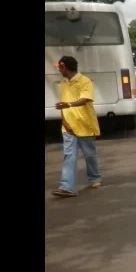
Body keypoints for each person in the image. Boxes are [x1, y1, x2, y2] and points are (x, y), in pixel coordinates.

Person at [51, 56, 102, 198]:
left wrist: (69, 105)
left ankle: (94, 178)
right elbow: (62, 104)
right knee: (69, 156)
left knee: (89, 155)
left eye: (59, 68)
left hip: (85, 124)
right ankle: (67, 187)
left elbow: (85, 99)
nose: (59, 70)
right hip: (68, 126)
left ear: (64, 67)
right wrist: (64, 121)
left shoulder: (84, 81)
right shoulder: (63, 83)